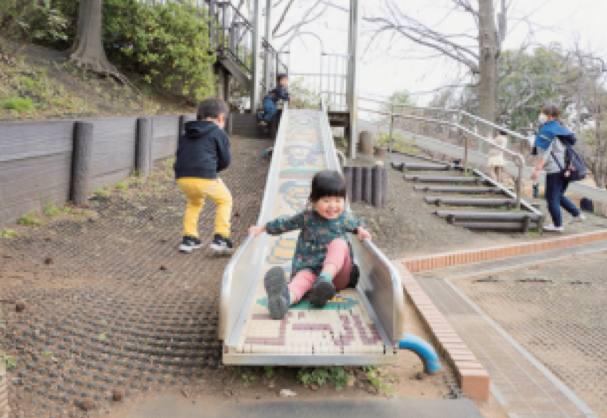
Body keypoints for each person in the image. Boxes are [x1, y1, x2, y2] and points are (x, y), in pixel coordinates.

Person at [248, 170, 372, 320]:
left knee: (339, 243)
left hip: (337, 276)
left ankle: (324, 280)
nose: (333, 206)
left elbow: (358, 223)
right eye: (326, 201)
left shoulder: (345, 218)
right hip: (311, 271)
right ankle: (283, 301)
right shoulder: (307, 217)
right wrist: (262, 228)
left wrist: (361, 230)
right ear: (313, 201)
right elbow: (286, 223)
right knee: (299, 282)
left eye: (338, 200)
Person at [174, 98, 234, 253]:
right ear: (221, 118)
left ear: (197, 117)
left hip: (183, 179)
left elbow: (181, 155)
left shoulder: (186, 134)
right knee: (225, 200)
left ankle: (189, 238)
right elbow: (225, 161)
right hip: (205, 178)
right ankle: (221, 237)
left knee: (194, 203)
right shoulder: (218, 132)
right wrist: (212, 172)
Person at [530, 104, 585, 232]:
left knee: (551, 199)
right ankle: (577, 214)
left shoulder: (548, 131)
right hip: (565, 169)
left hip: (555, 170)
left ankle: (557, 225)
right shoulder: (560, 128)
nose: (541, 116)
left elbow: (545, 153)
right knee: (557, 195)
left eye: (543, 113)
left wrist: (537, 169)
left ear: (551, 116)